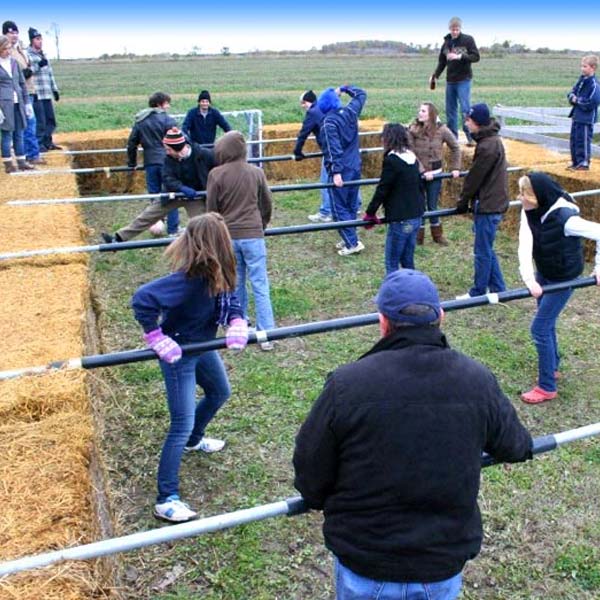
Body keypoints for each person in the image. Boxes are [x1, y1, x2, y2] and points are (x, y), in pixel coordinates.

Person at [294, 268, 533, 600]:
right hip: (440, 562)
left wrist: (319, 498)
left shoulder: (346, 384)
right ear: (441, 317)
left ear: (382, 322)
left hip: (365, 557)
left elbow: (309, 472)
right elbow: (516, 446)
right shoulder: (477, 379)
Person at [131, 213, 249, 522]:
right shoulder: (187, 281)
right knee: (179, 424)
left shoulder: (218, 273)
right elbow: (142, 298)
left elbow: (230, 298)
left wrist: (236, 320)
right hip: (179, 352)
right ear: (218, 243)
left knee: (219, 392)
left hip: (202, 346)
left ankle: (195, 439)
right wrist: (155, 336)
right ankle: (165, 498)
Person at [517, 172, 600, 404]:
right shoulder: (530, 210)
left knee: (539, 328)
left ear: (538, 196)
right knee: (547, 322)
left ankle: (547, 386)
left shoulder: (567, 218)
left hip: (564, 278)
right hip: (544, 271)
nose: (520, 197)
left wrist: (599, 266)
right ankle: (552, 366)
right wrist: (529, 280)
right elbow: (524, 244)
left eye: (524, 194)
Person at [206, 130, 276, 351]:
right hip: (253, 235)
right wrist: (260, 225)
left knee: (234, 283)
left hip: (228, 237)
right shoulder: (256, 172)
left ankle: (238, 327)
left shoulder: (216, 175)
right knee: (260, 283)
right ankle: (267, 334)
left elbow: (211, 210)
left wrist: (218, 235)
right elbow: (267, 203)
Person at [102, 127, 214, 243]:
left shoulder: (203, 154)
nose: (166, 152)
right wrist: (181, 187)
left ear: (178, 149)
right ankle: (118, 238)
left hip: (196, 197)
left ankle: (208, 249)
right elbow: (167, 178)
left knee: (202, 225)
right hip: (173, 194)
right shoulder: (168, 159)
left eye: (168, 149)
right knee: (148, 215)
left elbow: (218, 169)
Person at [456, 103, 508, 299]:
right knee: (486, 247)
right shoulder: (491, 140)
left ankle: (478, 291)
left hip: (489, 204)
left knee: (482, 251)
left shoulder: (487, 146)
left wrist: (463, 201)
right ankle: (498, 288)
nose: (466, 123)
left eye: (468, 120)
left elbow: (474, 178)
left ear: (476, 122)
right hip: (492, 201)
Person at [364, 123, 424, 274]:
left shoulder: (392, 160)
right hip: (415, 216)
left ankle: (393, 294)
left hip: (401, 218)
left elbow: (383, 188)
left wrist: (370, 212)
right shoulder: (412, 158)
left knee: (392, 262)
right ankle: (411, 291)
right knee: (407, 259)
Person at [319, 84, 367, 256]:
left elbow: (333, 149)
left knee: (338, 207)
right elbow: (361, 94)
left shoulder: (328, 123)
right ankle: (349, 236)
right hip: (355, 166)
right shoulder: (350, 112)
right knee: (351, 204)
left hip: (342, 169)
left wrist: (336, 172)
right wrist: (346, 88)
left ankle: (352, 243)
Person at [127, 92, 179, 236]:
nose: (168, 106)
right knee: (171, 195)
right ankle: (173, 229)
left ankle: (157, 224)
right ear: (159, 104)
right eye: (167, 103)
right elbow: (177, 142)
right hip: (167, 162)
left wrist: (132, 163)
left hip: (150, 163)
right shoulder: (168, 120)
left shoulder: (140, 120)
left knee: (155, 197)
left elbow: (132, 144)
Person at [408, 101, 461, 245]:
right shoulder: (412, 129)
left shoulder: (442, 130)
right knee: (419, 205)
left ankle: (437, 235)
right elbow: (410, 152)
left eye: (423, 111)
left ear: (431, 114)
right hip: (417, 175)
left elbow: (456, 147)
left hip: (436, 174)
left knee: (432, 205)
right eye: (420, 110)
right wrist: (422, 171)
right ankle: (418, 237)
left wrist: (455, 167)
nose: (420, 113)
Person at [430, 17, 480, 144]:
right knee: (450, 110)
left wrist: (460, 56)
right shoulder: (446, 43)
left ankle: (470, 137)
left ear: (460, 29)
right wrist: (435, 75)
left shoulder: (468, 40)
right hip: (450, 81)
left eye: (457, 29)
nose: (455, 32)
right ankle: (453, 138)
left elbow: (476, 57)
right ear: (449, 29)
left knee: (465, 109)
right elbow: (442, 62)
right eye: (453, 29)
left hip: (464, 79)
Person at [3, 21, 43, 165]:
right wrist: (26, 73)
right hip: (15, 95)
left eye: (15, 32)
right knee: (25, 126)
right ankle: (30, 155)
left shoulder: (20, 49)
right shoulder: (8, 53)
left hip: (28, 91)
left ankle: (28, 154)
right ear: (5, 34)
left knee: (29, 125)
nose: (14, 35)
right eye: (10, 33)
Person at [293, 90, 332, 223]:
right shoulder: (323, 109)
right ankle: (355, 206)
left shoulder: (312, 113)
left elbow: (303, 133)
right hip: (340, 148)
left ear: (308, 102)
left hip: (329, 150)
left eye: (303, 103)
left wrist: (297, 152)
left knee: (325, 181)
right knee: (344, 178)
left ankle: (326, 212)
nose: (302, 106)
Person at [0, 34, 34, 173]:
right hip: (4, 104)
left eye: (8, 48)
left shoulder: (14, 63)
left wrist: (27, 103)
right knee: (7, 134)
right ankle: (8, 163)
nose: (8, 51)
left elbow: (21, 83)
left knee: (19, 132)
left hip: (17, 102)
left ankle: (21, 161)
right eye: (4, 49)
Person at [26, 27, 61, 152]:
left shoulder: (44, 55)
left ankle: (48, 142)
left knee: (51, 120)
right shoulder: (28, 55)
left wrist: (55, 89)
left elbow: (50, 73)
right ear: (31, 40)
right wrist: (38, 66)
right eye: (37, 39)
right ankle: (39, 144)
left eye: (40, 39)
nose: (40, 41)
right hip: (37, 93)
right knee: (40, 121)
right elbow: (27, 73)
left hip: (46, 92)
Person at [566, 55, 600, 171]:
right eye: (582, 66)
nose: (582, 69)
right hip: (576, 116)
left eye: (585, 66)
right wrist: (572, 97)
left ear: (593, 68)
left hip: (586, 118)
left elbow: (593, 102)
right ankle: (575, 162)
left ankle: (583, 163)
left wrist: (578, 101)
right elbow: (571, 93)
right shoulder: (581, 81)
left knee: (583, 140)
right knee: (574, 140)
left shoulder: (594, 84)